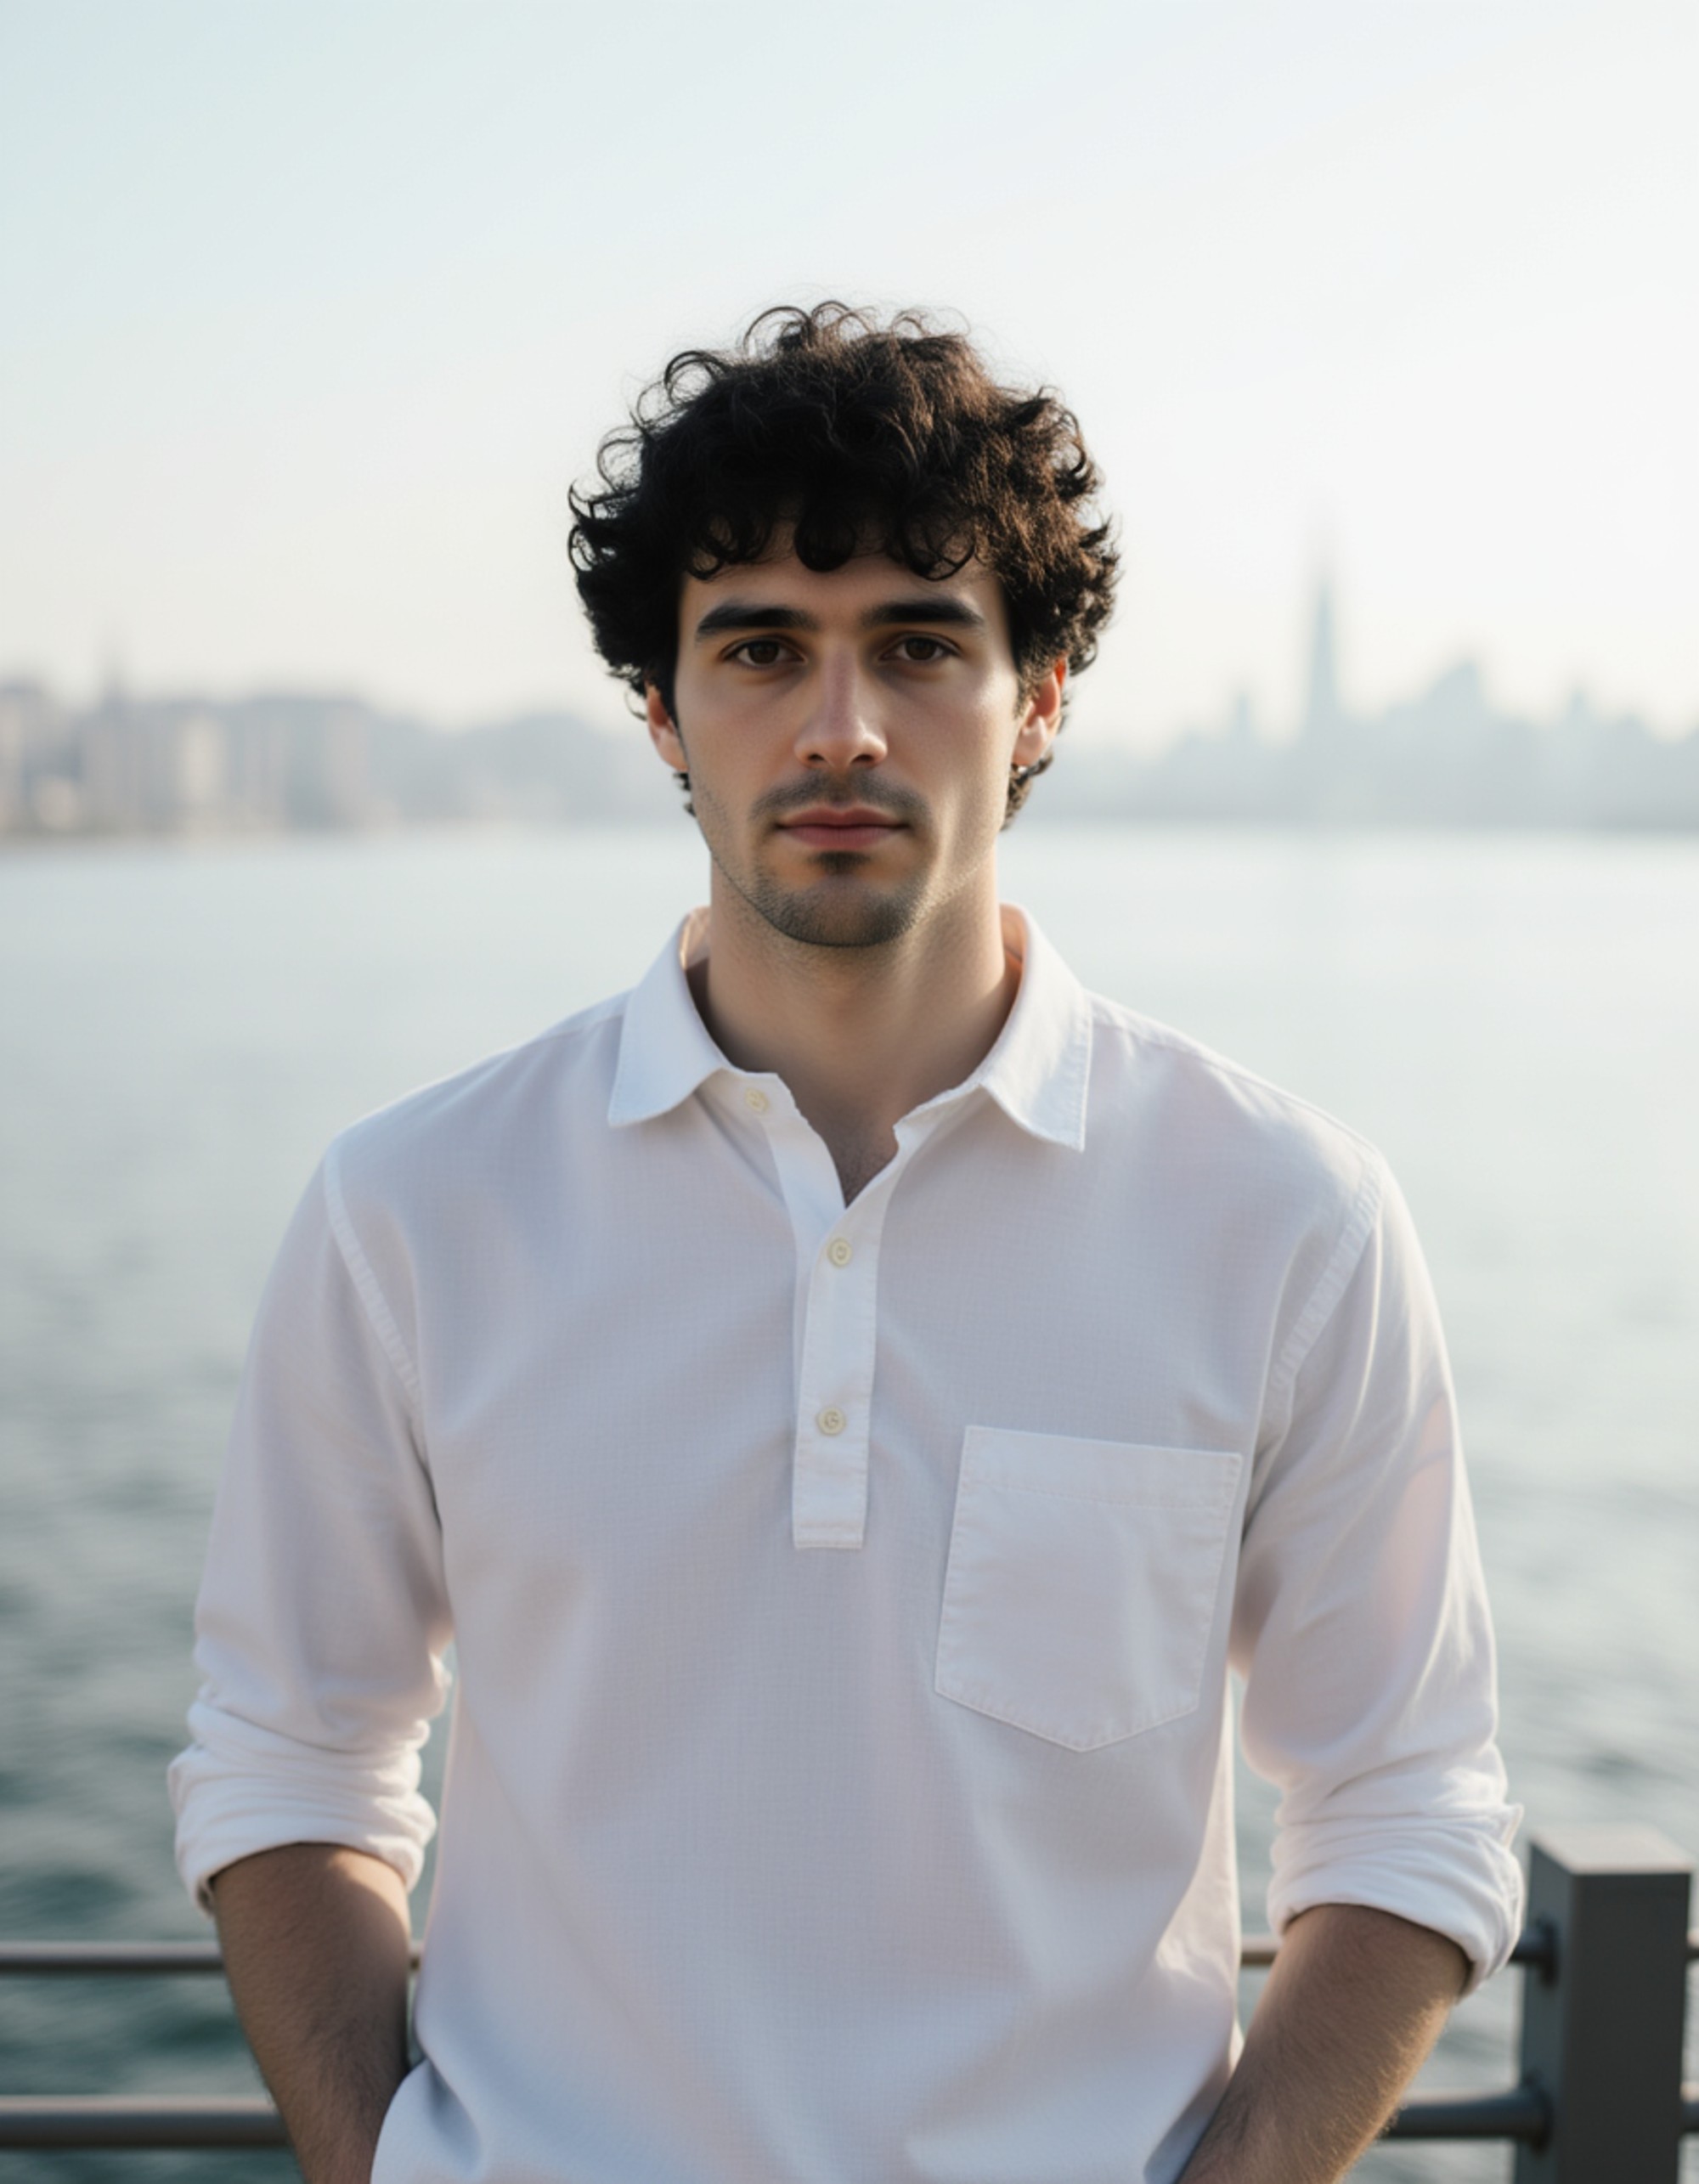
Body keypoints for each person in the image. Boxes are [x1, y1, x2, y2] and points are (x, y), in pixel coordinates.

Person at [171, 302, 1522, 2184]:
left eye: (916, 642)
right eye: (757, 649)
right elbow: (289, 1759)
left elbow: (1404, 1805)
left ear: (1038, 695)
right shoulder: (414, 1209)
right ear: (662, 706)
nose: (839, 726)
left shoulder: (1284, 1216)